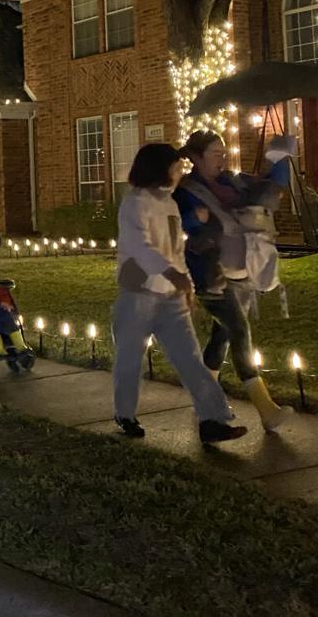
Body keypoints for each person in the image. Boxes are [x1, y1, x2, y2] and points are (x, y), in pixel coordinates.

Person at [112, 142, 247, 444]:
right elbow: (140, 249)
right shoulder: (135, 203)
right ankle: (125, 414)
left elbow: (176, 249)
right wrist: (174, 275)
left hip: (172, 296)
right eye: (176, 168)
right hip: (139, 294)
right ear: (160, 169)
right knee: (130, 358)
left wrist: (184, 282)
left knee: (190, 359)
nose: (180, 173)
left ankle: (213, 420)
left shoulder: (170, 203)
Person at [176, 129, 294, 432]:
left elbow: (270, 187)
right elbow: (175, 219)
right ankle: (267, 410)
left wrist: (279, 154)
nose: (222, 158)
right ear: (196, 158)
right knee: (240, 331)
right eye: (215, 153)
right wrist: (194, 220)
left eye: (223, 152)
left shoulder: (233, 181)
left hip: (243, 272)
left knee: (223, 336)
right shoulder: (187, 190)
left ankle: (204, 401)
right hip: (211, 276)